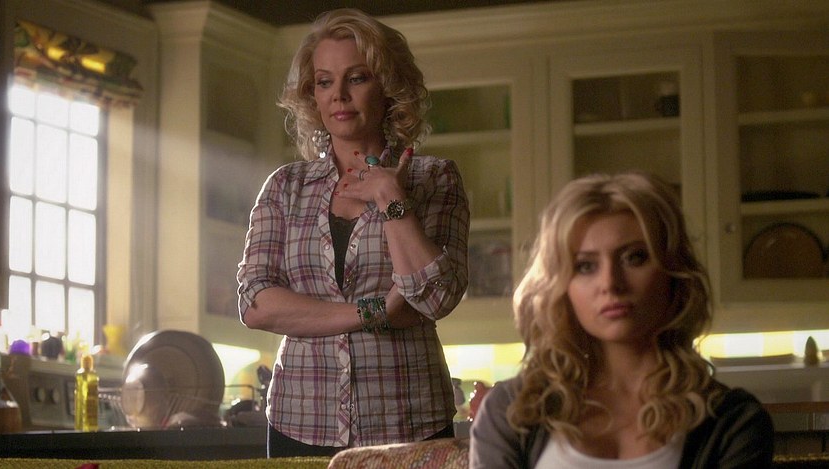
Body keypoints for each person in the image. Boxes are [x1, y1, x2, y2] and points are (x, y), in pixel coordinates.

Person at [236, 8, 470, 458]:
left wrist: (391, 200)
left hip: (409, 419)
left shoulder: (434, 178)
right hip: (301, 422)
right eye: (324, 82)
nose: (339, 95)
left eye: (357, 78)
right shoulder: (285, 187)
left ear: (388, 86)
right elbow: (255, 302)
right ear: (312, 94)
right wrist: (375, 310)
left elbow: (436, 298)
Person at [470, 172, 774, 468]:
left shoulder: (732, 421)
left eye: (635, 257)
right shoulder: (512, 410)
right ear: (562, 286)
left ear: (673, 272)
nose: (610, 283)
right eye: (586, 266)